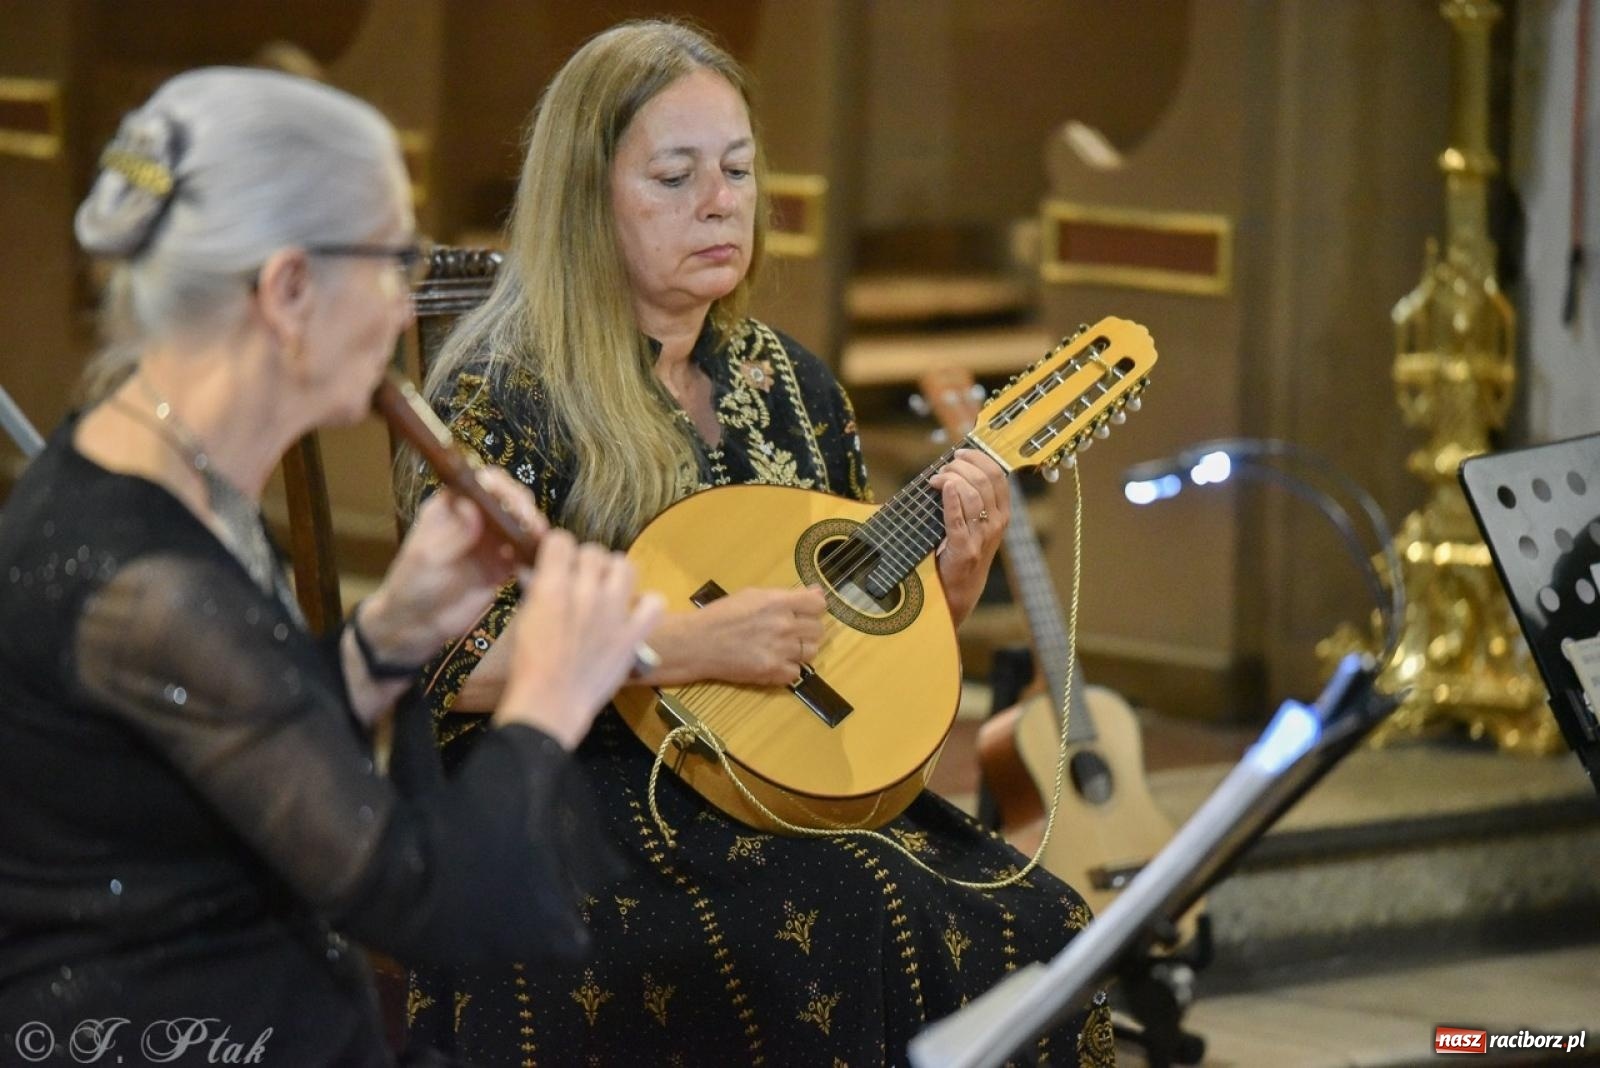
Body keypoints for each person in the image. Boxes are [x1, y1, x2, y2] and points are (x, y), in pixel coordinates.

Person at [404, 20, 1115, 1067]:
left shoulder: (790, 383)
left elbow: (837, 645)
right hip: (570, 787)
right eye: (675, 176)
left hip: (769, 768)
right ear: (585, 199)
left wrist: (951, 587)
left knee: (1040, 918)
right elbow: (441, 662)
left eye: (738, 170)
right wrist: (680, 648)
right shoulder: (506, 388)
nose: (721, 200)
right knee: (848, 912)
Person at [0, 68, 661, 1066]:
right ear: (289, 288)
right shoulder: (142, 582)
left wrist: (396, 629)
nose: (405, 306)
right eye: (392, 261)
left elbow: (251, 732)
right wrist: (550, 694)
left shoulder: (180, 473)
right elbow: (420, 899)